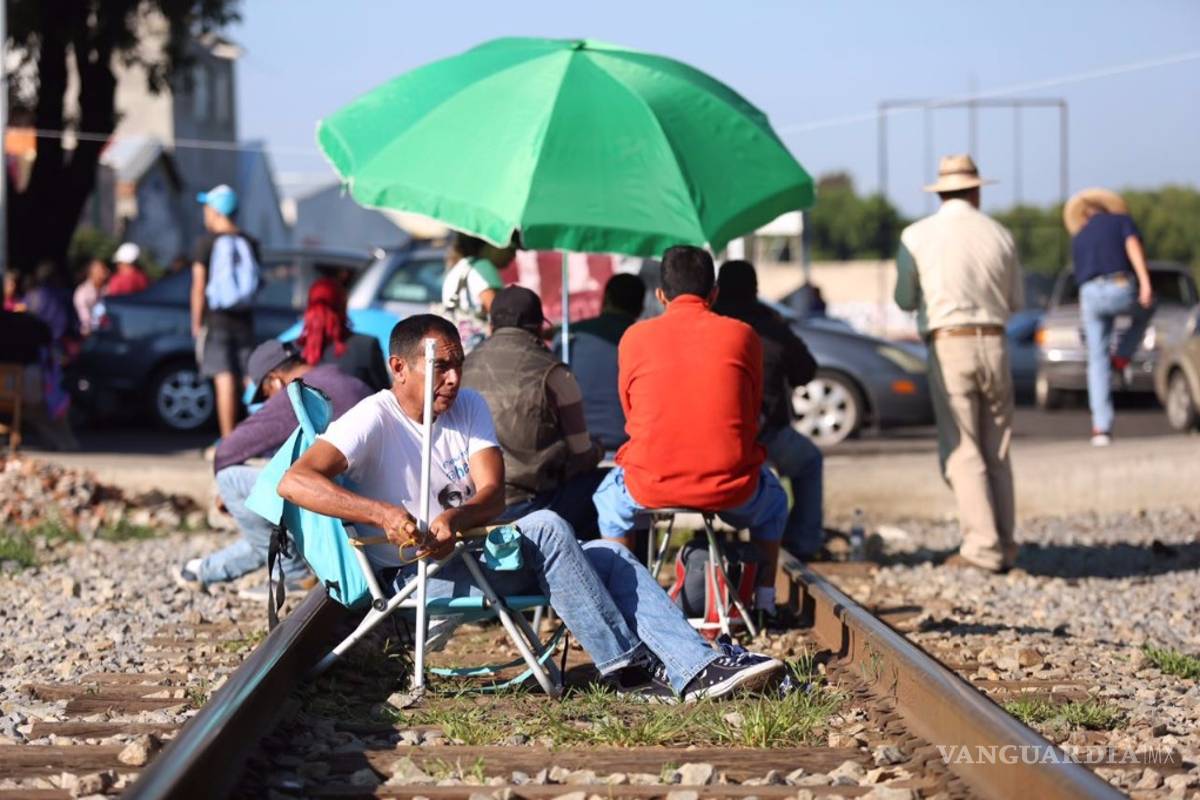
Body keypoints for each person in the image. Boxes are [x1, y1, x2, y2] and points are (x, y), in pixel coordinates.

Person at [277, 314, 784, 703]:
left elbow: (493, 493)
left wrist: (456, 518)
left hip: (473, 554)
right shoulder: (373, 418)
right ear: (399, 367)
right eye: (440, 367)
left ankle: (694, 670)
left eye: (458, 364)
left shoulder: (468, 405)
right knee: (543, 524)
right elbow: (295, 481)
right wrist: (384, 514)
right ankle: (628, 667)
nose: (453, 378)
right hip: (418, 577)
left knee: (612, 555)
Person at [593, 246, 789, 617]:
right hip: (731, 488)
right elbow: (751, 409)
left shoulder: (634, 337)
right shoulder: (744, 336)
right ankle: (764, 601)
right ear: (714, 293)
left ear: (660, 295)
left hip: (649, 485)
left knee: (608, 502)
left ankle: (621, 606)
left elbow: (630, 410)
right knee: (776, 501)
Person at [894, 154, 1023, 574]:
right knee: (997, 448)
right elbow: (1017, 301)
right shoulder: (1001, 234)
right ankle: (1005, 543)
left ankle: (982, 547)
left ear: (941, 192)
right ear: (976, 190)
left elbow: (904, 299)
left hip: (950, 343)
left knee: (964, 449)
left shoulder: (916, 236)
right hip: (996, 342)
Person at [175, 339, 374, 598]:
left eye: (266, 394)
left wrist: (227, 497)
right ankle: (203, 570)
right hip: (367, 507)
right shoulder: (351, 381)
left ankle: (296, 576)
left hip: (337, 509)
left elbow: (227, 451)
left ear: (275, 380)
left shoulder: (299, 392)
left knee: (231, 480)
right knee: (274, 519)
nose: (269, 401)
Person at [463, 286, 607, 539]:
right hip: (529, 505)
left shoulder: (463, 366)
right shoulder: (554, 372)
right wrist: (598, 449)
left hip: (470, 506)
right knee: (608, 488)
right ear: (540, 327)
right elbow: (582, 454)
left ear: (490, 325)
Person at [713, 260, 825, 560]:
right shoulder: (771, 327)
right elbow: (806, 370)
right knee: (810, 462)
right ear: (756, 289)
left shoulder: (709, 324)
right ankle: (803, 543)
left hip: (715, 438)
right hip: (767, 434)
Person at [1063, 188, 1155, 446]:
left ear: (1085, 214)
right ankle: (1124, 353)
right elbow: (1132, 245)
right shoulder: (1121, 221)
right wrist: (1145, 282)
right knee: (1148, 309)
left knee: (1096, 359)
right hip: (1118, 286)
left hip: (1090, 294)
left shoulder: (1079, 235)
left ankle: (1100, 428)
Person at [190, 184, 262, 438]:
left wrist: (196, 323)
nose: (205, 213)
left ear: (216, 211)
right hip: (245, 319)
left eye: (207, 207)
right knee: (250, 379)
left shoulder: (206, 243)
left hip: (217, 320)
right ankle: (260, 436)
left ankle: (229, 440)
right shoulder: (250, 242)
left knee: (224, 379)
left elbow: (199, 287)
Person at [564, 273, 646, 452]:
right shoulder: (647, 341)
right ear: (641, 308)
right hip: (629, 446)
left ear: (606, 298)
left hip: (577, 446)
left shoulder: (568, 338)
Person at [295, 276, 390, 391]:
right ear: (343, 305)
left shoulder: (291, 351)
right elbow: (385, 396)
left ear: (309, 305)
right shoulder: (366, 346)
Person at [441, 231, 513, 351]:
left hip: (459, 348)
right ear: (489, 245)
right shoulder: (483, 267)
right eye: (510, 248)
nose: (513, 255)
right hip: (478, 351)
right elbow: (499, 315)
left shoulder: (458, 268)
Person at [73, 258, 110, 336]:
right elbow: (85, 320)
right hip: (89, 334)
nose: (106, 272)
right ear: (92, 273)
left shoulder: (108, 289)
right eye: (102, 269)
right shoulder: (82, 293)